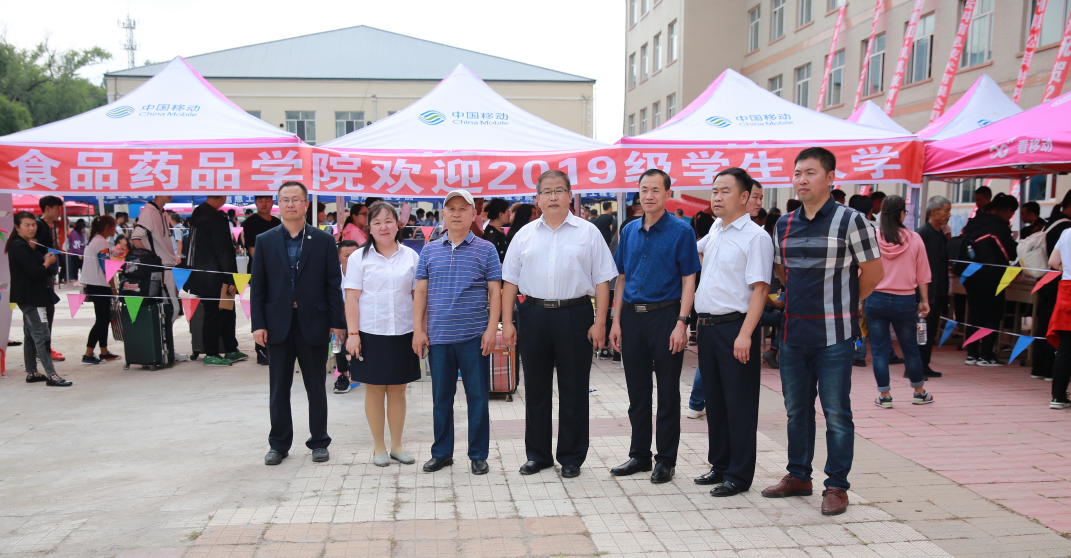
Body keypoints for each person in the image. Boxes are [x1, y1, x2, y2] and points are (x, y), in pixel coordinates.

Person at [762, 147, 884, 517]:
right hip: (793, 334)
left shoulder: (852, 221)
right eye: (797, 173)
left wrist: (846, 303)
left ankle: (836, 486)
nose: (802, 179)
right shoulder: (783, 225)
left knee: (836, 413)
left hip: (835, 336)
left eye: (811, 172)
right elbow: (783, 273)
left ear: (830, 178)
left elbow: (874, 273)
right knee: (796, 411)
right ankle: (799, 476)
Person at [501, 171, 617, 479]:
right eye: (547, 192)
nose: (553, 197)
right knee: (536, 387)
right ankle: (538, 456)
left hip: (575, 314)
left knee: (574, 388)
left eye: (559, 191)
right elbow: (509, 281)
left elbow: (602, 280)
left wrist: (600, 322)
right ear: (536, 198)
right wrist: (507, 322)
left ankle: (571, 456)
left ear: (569, 195)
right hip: (533, 314)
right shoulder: (524, 234)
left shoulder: (588, 232)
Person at [608, 169, 700, 484]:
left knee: (668, 392)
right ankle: (639, 455)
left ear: (667, 194)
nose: (649, 196)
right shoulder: (629, 230)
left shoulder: (682, 231)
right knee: (637, 392)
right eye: (644, 189)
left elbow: (689, 279)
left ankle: (666, 460)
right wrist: (615, 320)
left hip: (666, 317)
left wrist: (682, 323)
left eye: (655, 190)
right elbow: (621, 278)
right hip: (632, 317)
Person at [251, 181, 346, 466]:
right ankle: (278, 444)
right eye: (285, 199)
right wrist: (258, 324)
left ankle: (319, 441)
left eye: (296, 199)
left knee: (315, 386)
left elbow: (333, 285)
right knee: (279, 388)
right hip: (277, 324)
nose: (290, 204)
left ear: (306, 204)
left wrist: (337, 322)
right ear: (278, 204)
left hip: (314, 322)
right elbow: (258, 286)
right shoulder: (265, 240)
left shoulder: (323, 240)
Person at [693, 167, 773, 497]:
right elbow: (694, 250)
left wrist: (746, 334)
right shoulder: (716, 228)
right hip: (708, 328)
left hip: (736, 329)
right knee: (715, 401)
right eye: (714, 191)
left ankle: (739, 475)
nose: (717, 197)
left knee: (739, 404)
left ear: (744, 197)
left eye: (725, 191)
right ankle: (720, 464)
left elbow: (760, 289)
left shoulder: (756, 237)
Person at [412, 189, 502, 475]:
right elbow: (421, 292)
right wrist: (418, 330)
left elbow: (495, 292)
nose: (456, 213)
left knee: (478, 398)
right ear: (443, 214)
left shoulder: (486, 249)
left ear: (473, 214)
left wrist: (492, 330)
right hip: (438, 337)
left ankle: (478, 454)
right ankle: (441, 453)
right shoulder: (429, 250)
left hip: (474, 336)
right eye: (451, 208)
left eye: (463, 208)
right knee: (441, 399)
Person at [344, 202, 421, 466]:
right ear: (369, 228)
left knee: (399, 389)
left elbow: (417, 296)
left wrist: (420, 331)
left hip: (403, 331)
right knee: (375, 389)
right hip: (370, 332)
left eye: (388, 221)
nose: (383, 227)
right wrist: (352, 333)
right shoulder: (359, 258)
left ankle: (397, 446)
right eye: (377, 222)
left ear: (398, 225)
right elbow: (351, 299)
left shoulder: (411, 257)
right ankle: (379, 447)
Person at [867, 195, 933, 408]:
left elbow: (861, 270)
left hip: (875, 298)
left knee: (879, 352)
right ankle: (919, 392)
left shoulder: (872, 237)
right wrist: (924, 301)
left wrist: (859, 301)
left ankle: (884, 396)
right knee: (910, 349)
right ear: (902, 214)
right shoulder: (915, 238)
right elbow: (923, 274)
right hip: (905, 300)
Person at [7, 211, 69, 386]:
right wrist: (47, 262)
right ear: (17, 227)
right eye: (27, 225)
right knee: (42, 336)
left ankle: (32, 372)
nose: (31, 228)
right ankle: (52, 375)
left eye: (33, 224)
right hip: (31, 297)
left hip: (29, 295)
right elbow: (34, 272)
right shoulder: (19, 245)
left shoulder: (22, 244)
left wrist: (43, 261)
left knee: (30, 335)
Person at [960, 193, 1019, 366]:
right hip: (991, 277)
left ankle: (972, 354)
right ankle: (986, 355)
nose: (1011, 216)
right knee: (992, 315)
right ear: (1007, 210)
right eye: (1012, 213)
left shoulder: (973, 222)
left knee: (974, 314)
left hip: (970, 275)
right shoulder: (998, 226)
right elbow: (1009, 253)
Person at [185, 196, 244, 367]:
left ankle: (231, 348)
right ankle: (211, 353)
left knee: (226, 311)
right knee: (215, 314)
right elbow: (223, 250)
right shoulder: (215, 220)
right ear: (222, 196)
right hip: (215, 276)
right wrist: (231, 277)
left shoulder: (198, 217)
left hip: (202, 273)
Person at [1033, 193, 1071, 380]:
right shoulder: (1066, 226)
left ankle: (1038, 368)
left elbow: (1053, 261)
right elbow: (1056, 262)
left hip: (1046, 281)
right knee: (1061, 336)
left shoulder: (1053, 222)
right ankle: (1050, 370)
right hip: (1059, 283)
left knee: (1046, 326)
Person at [242, 196, 282, 365]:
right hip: (260, 272)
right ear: (256, 203)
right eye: (260, 201)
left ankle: (277, 347)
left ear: (272, 202)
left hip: (280, 273)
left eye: (267, 200)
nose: (264, 204)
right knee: (261, 309)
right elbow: (254, 251)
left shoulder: (278, 222)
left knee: (278, 310)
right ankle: (261, 350)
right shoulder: (250, 223)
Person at [917, 196, 951, 379]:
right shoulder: (922, 234)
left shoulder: (940, 234)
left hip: (937, 291)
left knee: (930, 331)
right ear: (934, 211)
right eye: (947, 210)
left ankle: (924, 364)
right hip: (924, 293)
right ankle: (914, 366)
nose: (949, 214)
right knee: (920, 330)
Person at [80, 216, 122, 364]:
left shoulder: (93, 241)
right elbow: (107, 267)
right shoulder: (101, 243)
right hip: (100, 285)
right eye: (114, 226)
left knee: (104, 319)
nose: (115, 229)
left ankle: (104, 351)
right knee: (102, 320)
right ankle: (88, 353)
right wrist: (113, 287)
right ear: (107, 227)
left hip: (94, 285)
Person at [131, 195, 180, 315]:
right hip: (160, 267)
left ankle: (163, 328)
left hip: (167, 266)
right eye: (167, 190)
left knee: (170, 309)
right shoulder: (148, 212)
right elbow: (135, 237)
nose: (171, 194)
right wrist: (150, 259)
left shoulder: (163, 213)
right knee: (171, 309)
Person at [33, 196, 64, 362]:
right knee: (45, 311)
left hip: (47, 273)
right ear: (47, 208)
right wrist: (44, 264)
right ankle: (43, 349)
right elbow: (32, 249)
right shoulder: (39, 226)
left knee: (47, 310)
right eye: (57, 208)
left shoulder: (46, 226)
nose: (60, 212)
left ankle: (44, 347)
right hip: (42, 275)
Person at [1047, 226, 1071, 408]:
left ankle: (1058, 396)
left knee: (1065, 348)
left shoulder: (1067, 232)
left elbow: (1053, 261)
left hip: (1067, 291)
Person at [334, 240, 361, 393]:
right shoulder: (334, 274)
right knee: (338, 329)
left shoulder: (366, 272)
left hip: (361, 316)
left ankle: (352, 370)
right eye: (346, 255)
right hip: (340, 316)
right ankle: (344, 375)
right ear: (339, 257)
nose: (351, 259)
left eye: (355, 254)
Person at [67, 219, 86, 284]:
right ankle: (76, 280)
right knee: (76, 267)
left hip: (78, 252)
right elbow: (76, 244)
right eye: (83, 229)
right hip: (76, 253)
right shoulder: (75, 234)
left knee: (80, 267)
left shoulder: (78, 233)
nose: (83, 230)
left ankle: (79, 280)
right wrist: (79, 254)